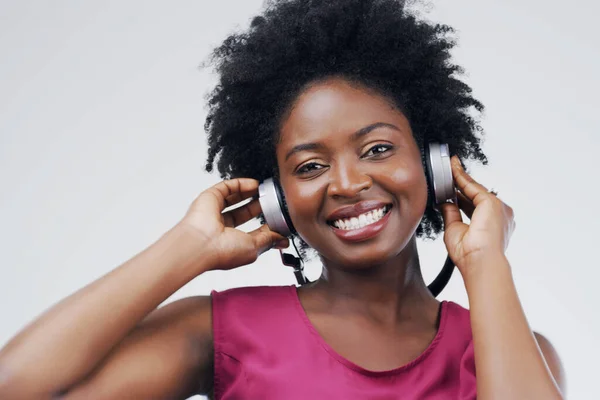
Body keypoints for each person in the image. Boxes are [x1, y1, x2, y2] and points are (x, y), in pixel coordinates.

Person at [0, 0, 565, 399]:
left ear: (434, 163)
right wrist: (189, 246)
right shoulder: (222, 334)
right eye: (311, 166)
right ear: (276, 197)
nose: (346, 183)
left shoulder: (508, 344)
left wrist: (487, 264)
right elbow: (18, 387)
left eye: (376, 148)